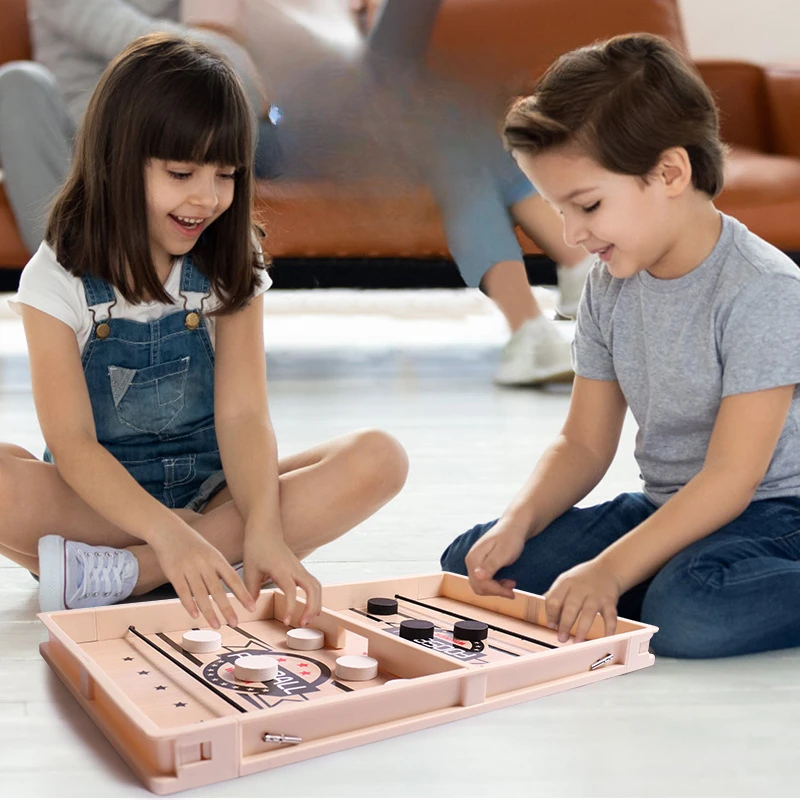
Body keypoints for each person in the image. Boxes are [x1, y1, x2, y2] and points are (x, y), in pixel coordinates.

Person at [0, 33, 408, 630]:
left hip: (216, 495)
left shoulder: (230, 263)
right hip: (104, 508)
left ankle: (127, 575)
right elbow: (76, 444)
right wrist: (167, 533)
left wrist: (265, 528)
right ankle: (194, 556)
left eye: (226, 174)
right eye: (181, 172)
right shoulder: (55, 276)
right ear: (116, 161)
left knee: (380, 458)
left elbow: (244, 416)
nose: (207, 197)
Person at [440, 33, 800, 658]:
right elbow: (582, 442)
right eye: (558, 211)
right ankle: (652, 579)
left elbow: (730, 479)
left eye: (587, 205)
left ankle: (659, 586)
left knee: (690, 613)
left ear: (669, 172)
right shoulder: (611, 286)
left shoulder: (763, 289)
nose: (572, 236)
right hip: (667, 505)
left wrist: (609, 570)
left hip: (775, 515)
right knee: (478, 564)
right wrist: (518, 522)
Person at [0, 0, 283, 253]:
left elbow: (232, 76)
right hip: (86, 130)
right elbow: (153, 46)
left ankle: (197, 278)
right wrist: (221, 56)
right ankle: (76, 274)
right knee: (16, 85)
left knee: (260, 131)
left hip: (174, 123)